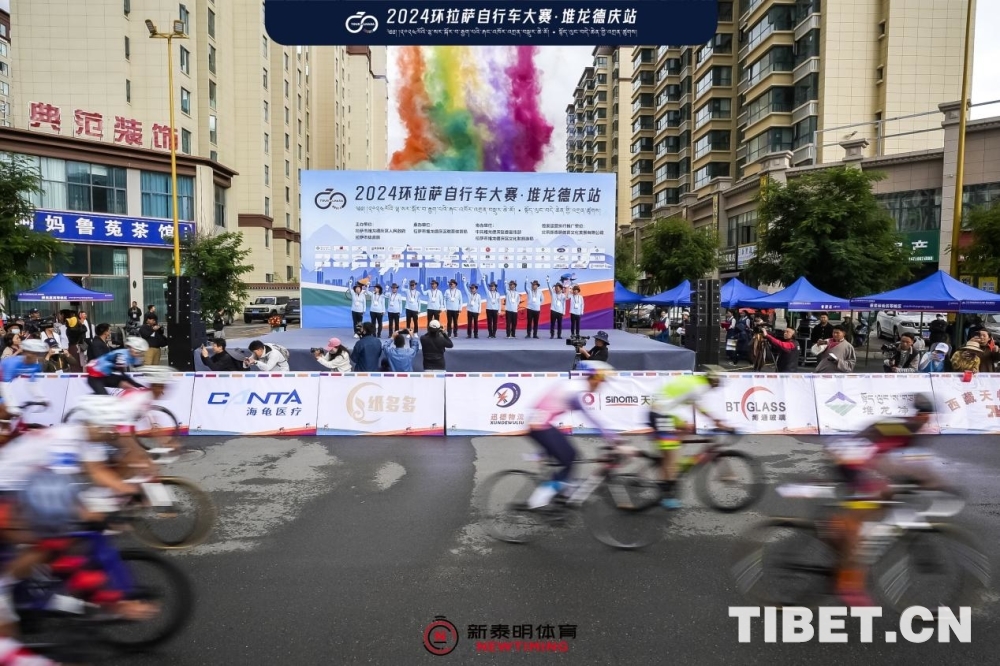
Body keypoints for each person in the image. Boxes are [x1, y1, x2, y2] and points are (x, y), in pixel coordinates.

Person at [828, 394, 943, 606]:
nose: (928, 420)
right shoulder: (908, 428)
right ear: (924, 415)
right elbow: (890, 461)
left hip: (855, 456)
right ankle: (847, 583)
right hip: (850, 460)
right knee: (861, 520)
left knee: (885, 497)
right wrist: (934, 485)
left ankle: (842, 527)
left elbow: (899, 464)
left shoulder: (908, 426)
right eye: (928, 416)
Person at [525, 361, 619, 508]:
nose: (602, 384)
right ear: (594, 378)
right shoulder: (575, 389)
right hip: (540, 427)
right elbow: (589, 416)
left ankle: (563, 489)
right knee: (568, 460)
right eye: (602, 381)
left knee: (573, 455)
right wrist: (611, 437)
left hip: (540, 425)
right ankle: (537, 501)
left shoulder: (574, 385)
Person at [650, 371, 736, 509]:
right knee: (671, 459)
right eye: (716, 385)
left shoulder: (695, 380)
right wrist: (717, 422)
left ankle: (671, 460)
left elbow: (691, 404)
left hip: (664, 412)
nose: (715, 388)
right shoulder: (699, 387)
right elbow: (699, 407)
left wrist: (714, 421)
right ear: (713, 382)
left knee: (687, 429)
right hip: (660, 415)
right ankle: (667, 494)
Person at [0, 339, 49, 420]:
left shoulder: (35, 365)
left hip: (2, 387)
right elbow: (4, 386)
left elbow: (32, 385)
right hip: (2, 385)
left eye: (40, 354)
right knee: (5, 411)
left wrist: (42, 398)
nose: (37, 357)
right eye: (35, 354)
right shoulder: (12, 363)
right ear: (26, 353)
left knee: (9, 418)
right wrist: (11, 405)